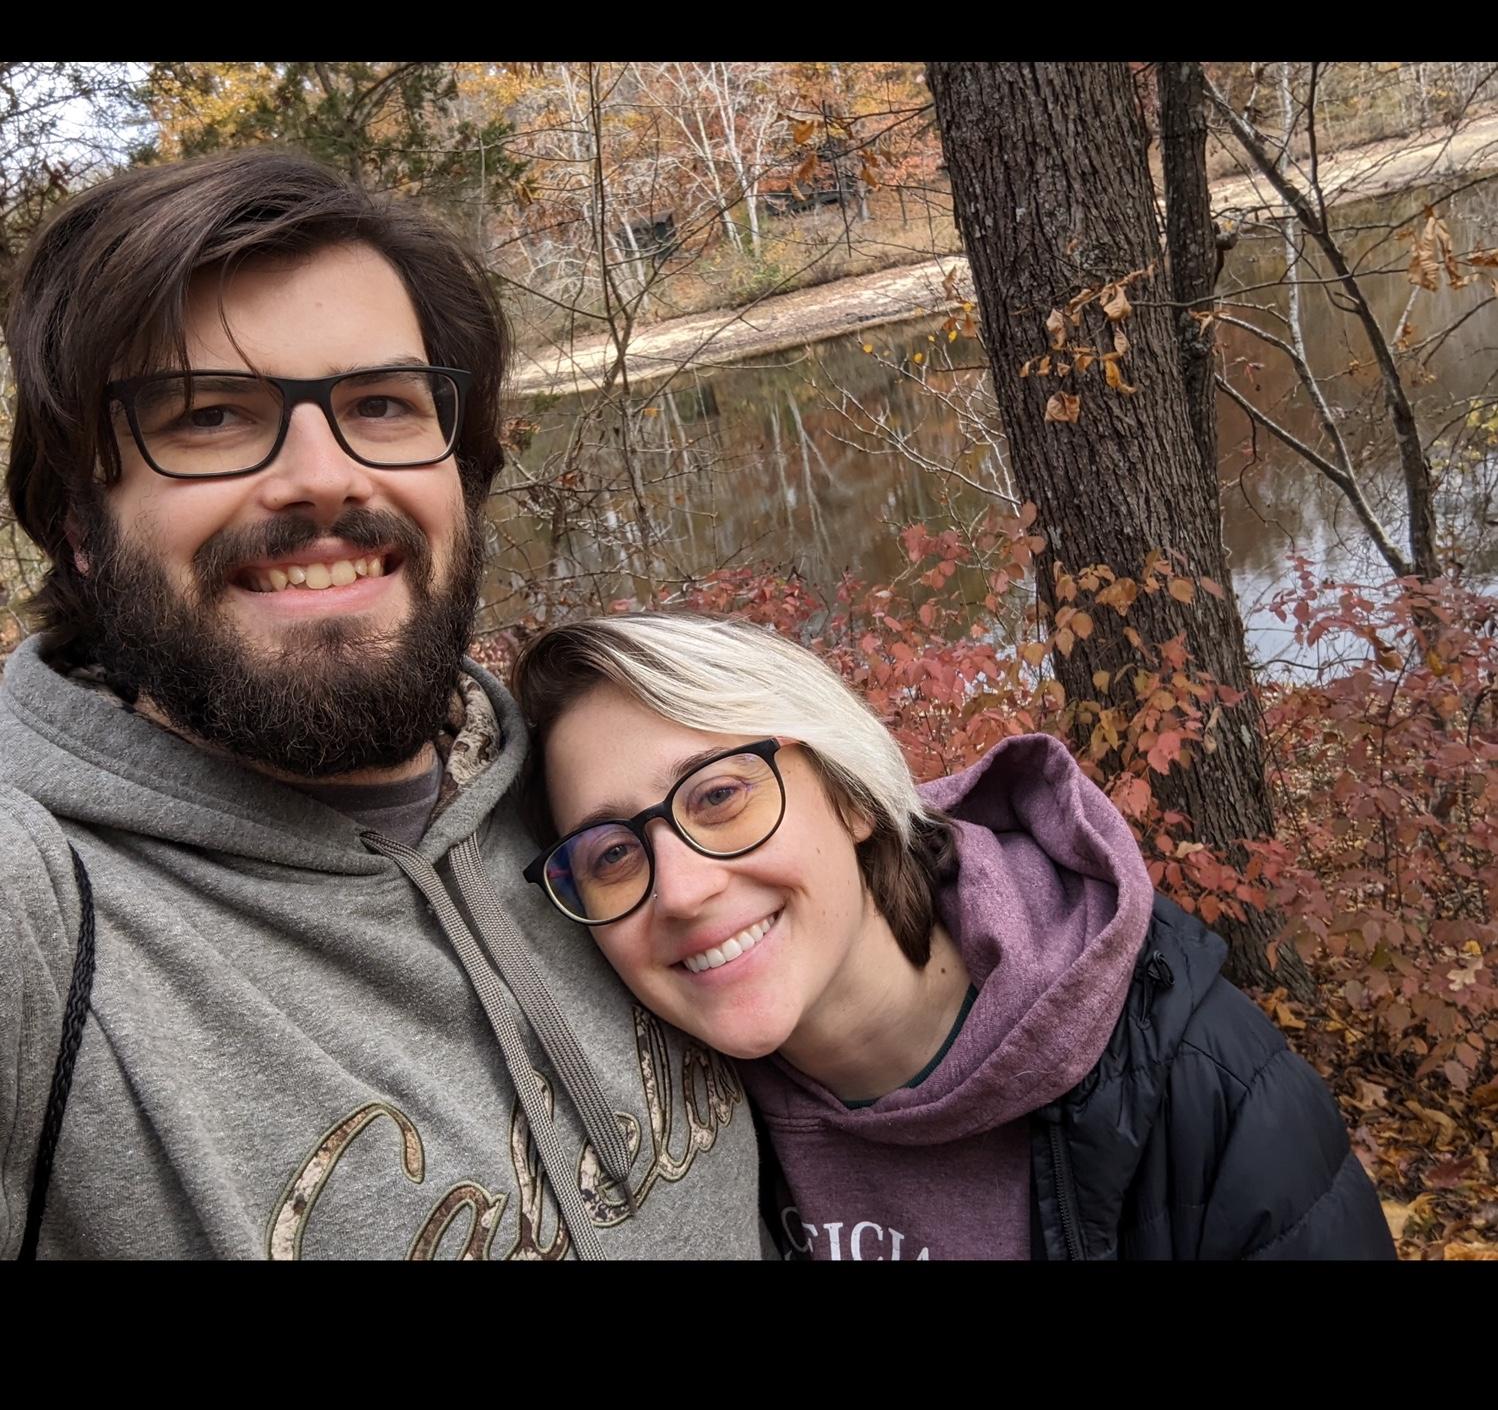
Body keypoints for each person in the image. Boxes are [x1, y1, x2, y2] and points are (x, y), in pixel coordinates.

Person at [0, 150, 762, 1260]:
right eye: (209, 415)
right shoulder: (39, 908)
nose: (323, 475)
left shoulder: (594, 794)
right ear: (78, 520)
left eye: (380, 404)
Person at [510, 610, 1399, 1261]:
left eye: (719, 796)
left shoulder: (1201, 1090)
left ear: (852, 795)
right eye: (612, 852)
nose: (683, 890)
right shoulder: (676, 1116)